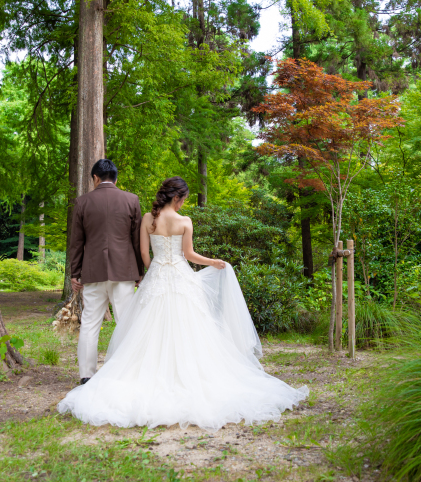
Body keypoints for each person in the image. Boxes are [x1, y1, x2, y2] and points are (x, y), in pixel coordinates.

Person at [58, 177, 308, 431]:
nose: (183, 204)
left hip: (157, 275)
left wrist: (153, 271)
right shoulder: (185, 221)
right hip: (180, 276)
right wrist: (212, 262)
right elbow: (189, 255)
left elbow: (144, 253)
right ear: (176, 197)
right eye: (183, 199)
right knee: (190, 325)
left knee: (147, 328)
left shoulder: (148, 219)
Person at [69, 159, 143, 385]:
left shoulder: (82, 202)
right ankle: (127, 372)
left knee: (90, 323)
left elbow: (76, 242)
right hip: (124, 271)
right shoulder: (131, 200)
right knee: (125, 322)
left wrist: (75, 272)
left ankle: (86, 375)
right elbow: (137, 239)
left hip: (93, 271)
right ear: (116, 178)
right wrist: (139, 272)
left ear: (95, 178)